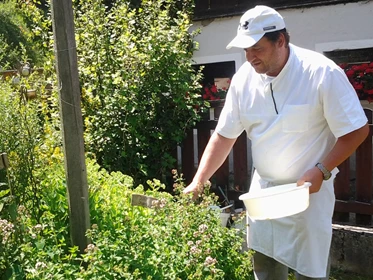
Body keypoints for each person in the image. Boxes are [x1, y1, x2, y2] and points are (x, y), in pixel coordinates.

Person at [183, 5, 369, 280]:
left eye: (256, 48)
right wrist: (199, 181)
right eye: (245, 50)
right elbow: (224, 134)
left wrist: (322, 170)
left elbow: (356, 130)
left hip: (308, 193)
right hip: (263, 193)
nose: (249, 57)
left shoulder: (321, 73)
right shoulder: (243, 80)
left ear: (280, 40)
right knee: (266, 269)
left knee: (311, 272)